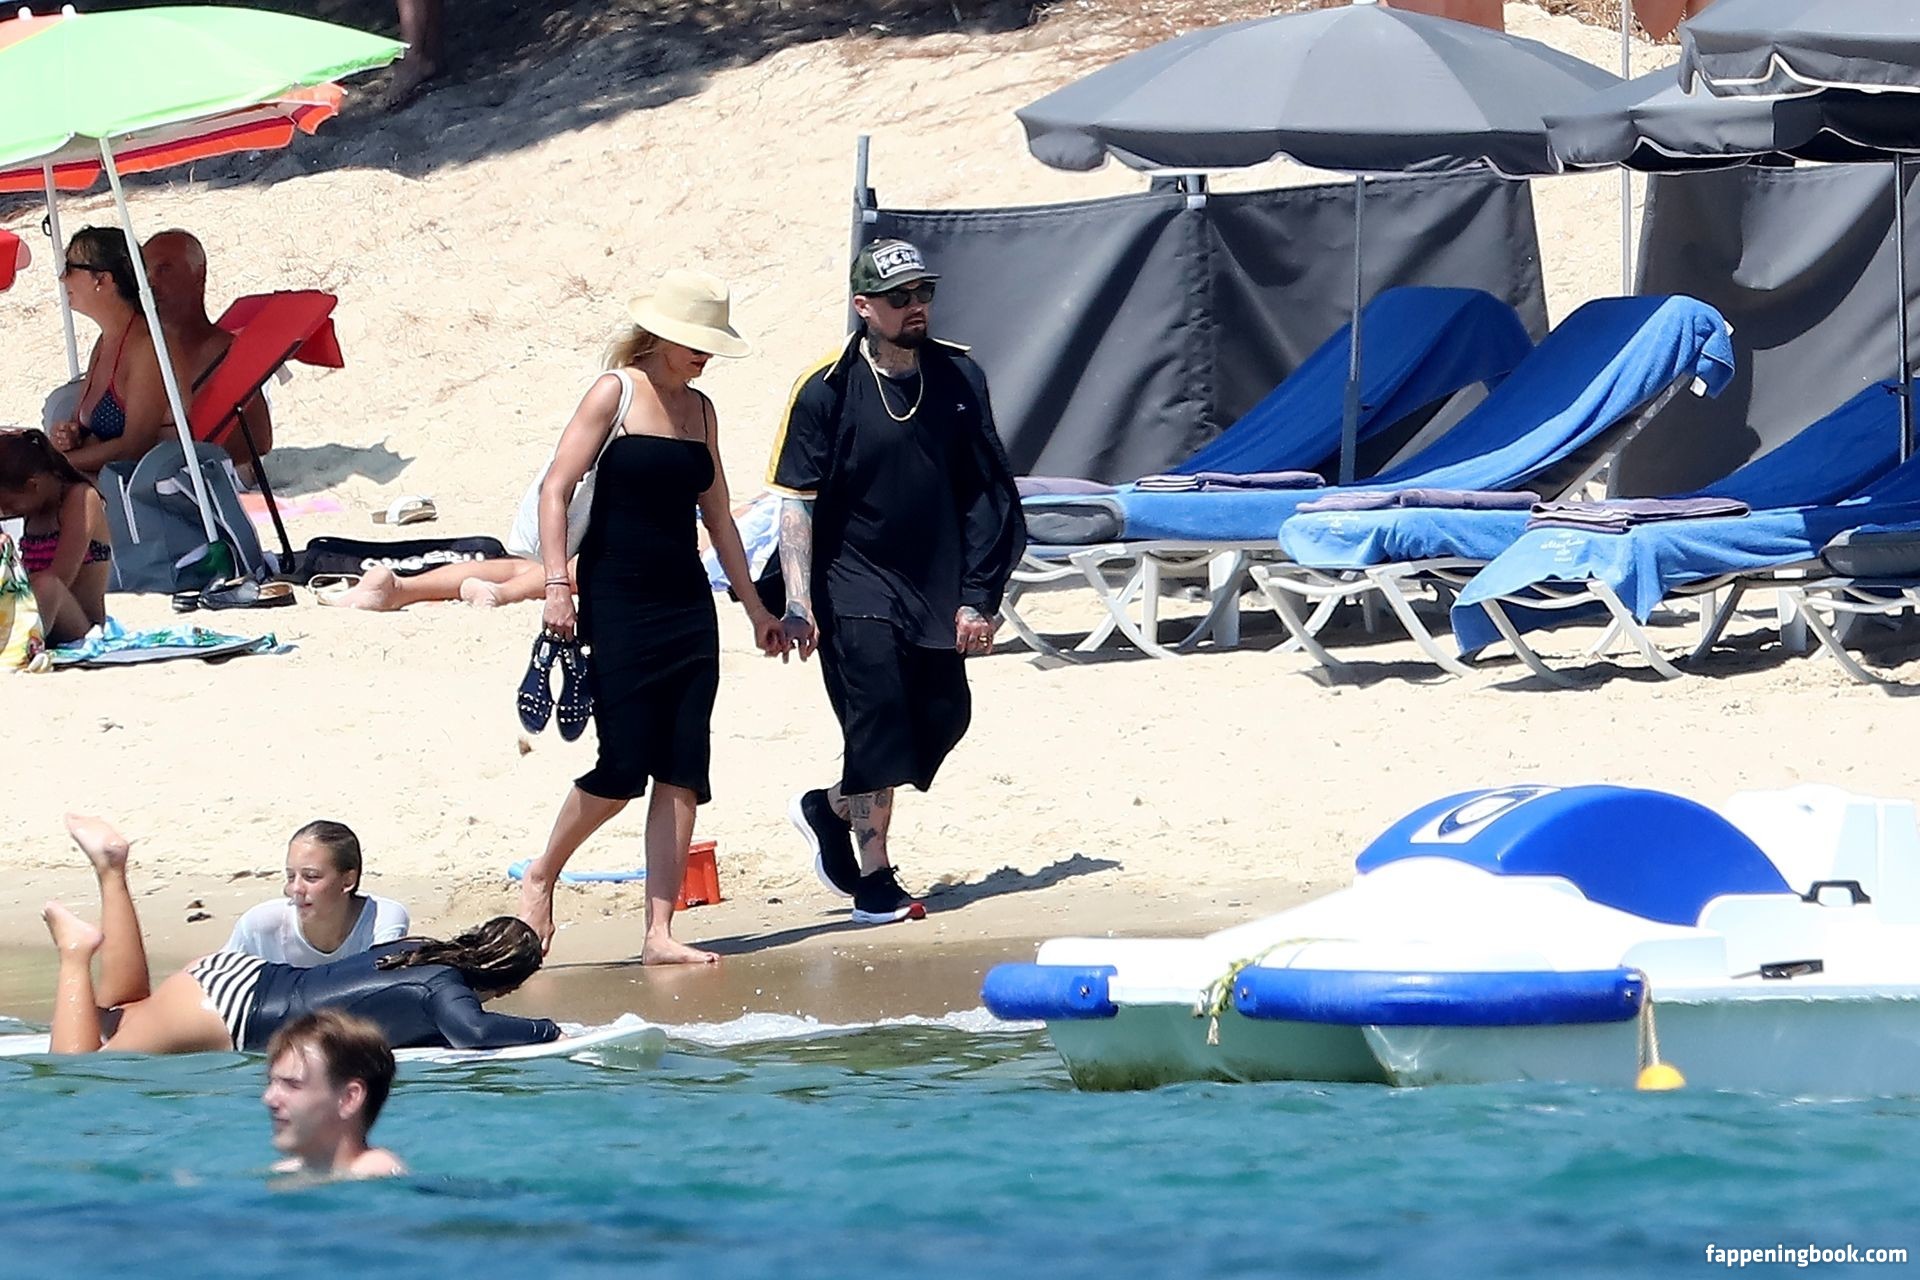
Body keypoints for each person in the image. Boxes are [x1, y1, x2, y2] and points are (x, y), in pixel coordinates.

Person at [516, 269, 785, 963]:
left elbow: (719, 518)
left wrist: (757, 609)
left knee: (683, 766)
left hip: (687, 606)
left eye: (711, 344)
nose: (704, 355)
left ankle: (659, 934)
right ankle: (542, 874)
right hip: (617, 600)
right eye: (696, 342)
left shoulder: (702, 411)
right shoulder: (616, 391)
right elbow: (555, 488)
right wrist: (557, 585)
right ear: (661, 334)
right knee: (623, 765)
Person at [768, 239, 1024, 925]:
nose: (916, 307)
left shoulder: (959, 377)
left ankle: (830, 807)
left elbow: (987, 494)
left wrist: (979, 596)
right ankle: (875, 875)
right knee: (877, 716)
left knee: (944, 716)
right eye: (898, 297)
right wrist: (798, 603)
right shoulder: (826, 388)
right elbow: (796, 504)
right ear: (863, 306)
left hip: (933, 579)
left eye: (923, 293)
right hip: (850, 579)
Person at [41, 813, 559, 1055]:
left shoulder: (419, 950)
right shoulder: (446, 989)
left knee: (121, 1013)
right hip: (231, 1011)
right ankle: (74, 952)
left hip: (240, 977)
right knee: (84, 1070)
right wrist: (549, 1030)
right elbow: (475, 1033)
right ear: (507, 981)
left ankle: (111, 871)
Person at [143, 229, 273, 482]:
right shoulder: (142, 348)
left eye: (164, 269)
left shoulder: (225, 352)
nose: (151, 282)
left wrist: (191, 457)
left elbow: (260, 440)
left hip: (204, 476)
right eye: (145, 272)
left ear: (198, 275)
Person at [46, 227, 171, 476]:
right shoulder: (107, 341)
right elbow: (84, 427)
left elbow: (135, 447)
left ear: (102, 279)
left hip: (149, 488)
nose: (62, 278)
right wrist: (71, 435)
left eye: (70, 267)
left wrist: (57, 464)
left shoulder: (147, 347)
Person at [226, 820, 411, 966]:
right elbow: (215, 981)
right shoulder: (259, 926)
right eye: (291, 876)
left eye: (311, 876)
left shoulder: (380, 919)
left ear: (348, 881)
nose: (296, 889)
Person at [262, 1010, 406, 1180]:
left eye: (293, 1085)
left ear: (349, 1099)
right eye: (272, 1082)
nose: (269, 1099)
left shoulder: (378, 1174)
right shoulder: (284, 1174)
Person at [0, 429, 110, 643]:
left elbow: (61, 578)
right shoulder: (33, 509)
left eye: (9, 505)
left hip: (79, 624)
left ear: (33, 485)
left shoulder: (81, 499)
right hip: (36, 611)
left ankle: (18, 643)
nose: (6, 513)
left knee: (46, 583)